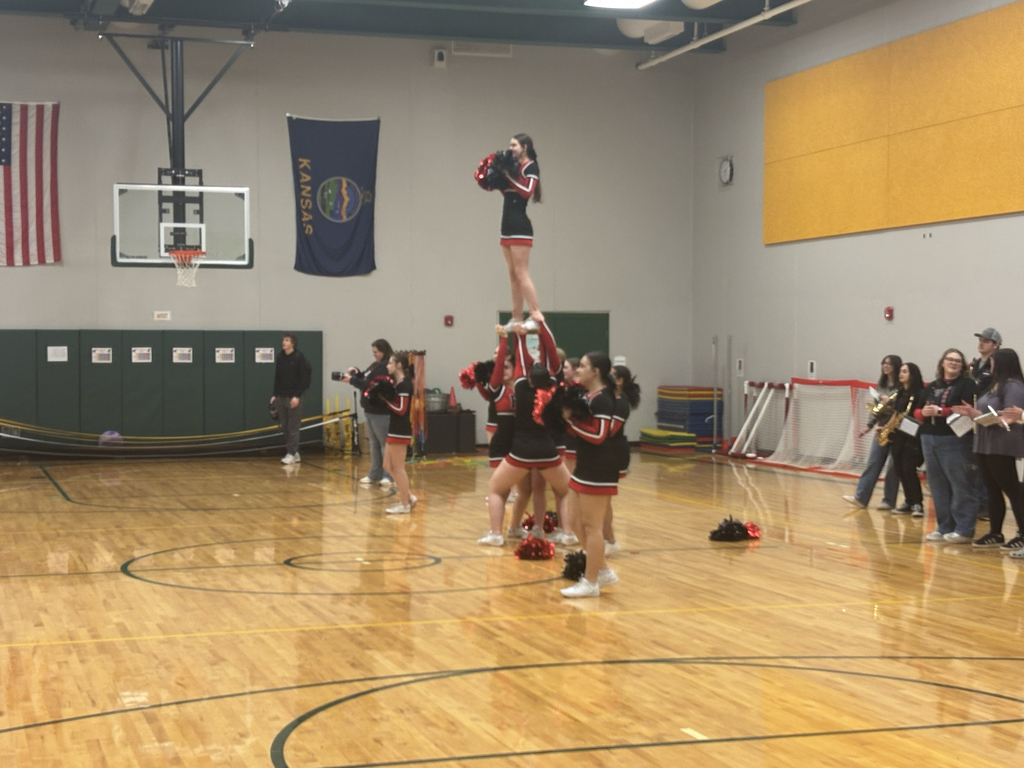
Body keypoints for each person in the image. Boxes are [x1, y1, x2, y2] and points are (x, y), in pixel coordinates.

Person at [479, 314, 569, 547]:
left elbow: (521, 356)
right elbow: (548, 354)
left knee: (496, 490)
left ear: (525, 375)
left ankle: (496, 535)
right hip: (548, 449)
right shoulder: (554, 386)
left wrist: (519, 334)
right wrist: (541, 327)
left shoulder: (519, 387)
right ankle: (567, 533)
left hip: (521, 450)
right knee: (566, 490)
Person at [951, 348, 1024, 552]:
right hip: (985, 442)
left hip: (1001, 445)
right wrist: (974, 414)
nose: (989, 365)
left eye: (992, 362)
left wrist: (989, 418)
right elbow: (992, 415)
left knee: (1012, 489)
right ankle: (995, 532)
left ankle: (1022, 534)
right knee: (992, 490)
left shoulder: (1013, 386)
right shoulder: (995, 386)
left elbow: (1008, 416)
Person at [560, 352, 621, 598]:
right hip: (584, 466)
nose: (578, 370)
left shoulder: (603, 400)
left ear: (596, 372)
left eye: (583, 366)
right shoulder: (587, 396)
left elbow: (599, 436)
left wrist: (570, 422)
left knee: (592, 527)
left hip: (599, 468)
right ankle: (603, 570)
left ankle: (591, 582)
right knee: (574, 522)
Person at [916, 348, 978, 543]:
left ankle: (964, 529)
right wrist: (923, 413)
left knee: (960, 484)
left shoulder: (968, 385)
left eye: (958, 361)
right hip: (929, 437)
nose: (953, 363)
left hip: (954, 439)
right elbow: (916, 411)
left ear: (962, 366)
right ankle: (944, 527)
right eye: (950, 359)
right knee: (937, 485)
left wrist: (942, 411)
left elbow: (968, 410)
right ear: (942, 362)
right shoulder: (931, 386)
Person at [842, 355, 902, 510]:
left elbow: (903, 406)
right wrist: (868, 426)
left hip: (897, 429)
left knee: (892, 468)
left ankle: (889, 501)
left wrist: (891, 402)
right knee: (873, 463)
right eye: (883, 363)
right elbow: (876, 409)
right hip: (880, 428)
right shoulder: (880, 385)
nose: (885, 366)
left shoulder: (901, 386)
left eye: (889, 363)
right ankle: (861, 497)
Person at [499, 134, 542, 323]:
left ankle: (535, 313)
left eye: (514, 145)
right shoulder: (513, 168)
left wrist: (508, 177)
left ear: (525, 147)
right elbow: (507, 193)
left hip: (520, 226)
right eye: (510, 145)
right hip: (506, 224)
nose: (511, 148)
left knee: (522, 272)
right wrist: (497, 179)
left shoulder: (531, 166)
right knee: (512, 274)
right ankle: (517, 316)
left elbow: (526, 192)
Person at [341, 339, 394, 488]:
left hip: (381, 411)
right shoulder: (375, 365)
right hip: (370, 409)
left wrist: (352, 381)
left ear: (384, 351)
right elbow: (366, 377)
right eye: (373, 352)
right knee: (373, 444)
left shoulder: (385, 367)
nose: (374, 355)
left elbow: (370, 385)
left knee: (384, 444)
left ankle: (388, 475)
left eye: (376, 352)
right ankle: (374, 473)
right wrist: (357, 373)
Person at [604, 364, 641, 556]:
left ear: (620, 381)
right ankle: (606, 537)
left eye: (612, 376)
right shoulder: (611, 399)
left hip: (614, 451)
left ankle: (609, 539)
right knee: (601, 499)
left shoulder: (621, 402)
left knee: (603, 499)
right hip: (607, 450)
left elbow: (609, 431)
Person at [968, 328, 1001, 521]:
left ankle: (987, 504)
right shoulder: (974, 365)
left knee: (986, 464)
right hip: (972, 415)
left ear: (995, 345)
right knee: (975, 462)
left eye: (986, 341)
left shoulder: (997, 365)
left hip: (988, 415)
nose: (981, 343)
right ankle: (979, 501)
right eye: (980, 340)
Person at [380, 351, 417, 515]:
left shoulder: (404, 385)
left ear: (399, 365)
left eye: (390, 363)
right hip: (394, 428)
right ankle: (408, 496)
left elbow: (401, 410)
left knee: (398, 467)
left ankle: (404, 504)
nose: (387, 366)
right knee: (387, 466)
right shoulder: (398, 384)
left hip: (400, 430)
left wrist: (386, 401)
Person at [887, 363, 925, 517]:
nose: (900, 374)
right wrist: (887, 427)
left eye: (904, 371)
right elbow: (896, 413)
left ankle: (917, 503)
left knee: (909, 469)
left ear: (912, 374)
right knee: (899, 469)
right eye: (900, 371)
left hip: (913, 436)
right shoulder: (900, 393)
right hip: (898, 436)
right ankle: (908, 501)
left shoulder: (920, 393)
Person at [270, 332, 312, 465]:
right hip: (281, 396)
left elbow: (304, 379)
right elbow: (277, 377)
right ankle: (294, 452)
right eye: (283, 340)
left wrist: (297, 396)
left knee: (293, 426)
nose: (284, 342)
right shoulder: (280, 357)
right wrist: (274, 394)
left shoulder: (299, 357)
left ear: (293, 343)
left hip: (293, 397)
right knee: (285, 426)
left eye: (287, 340)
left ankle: (291, 453)